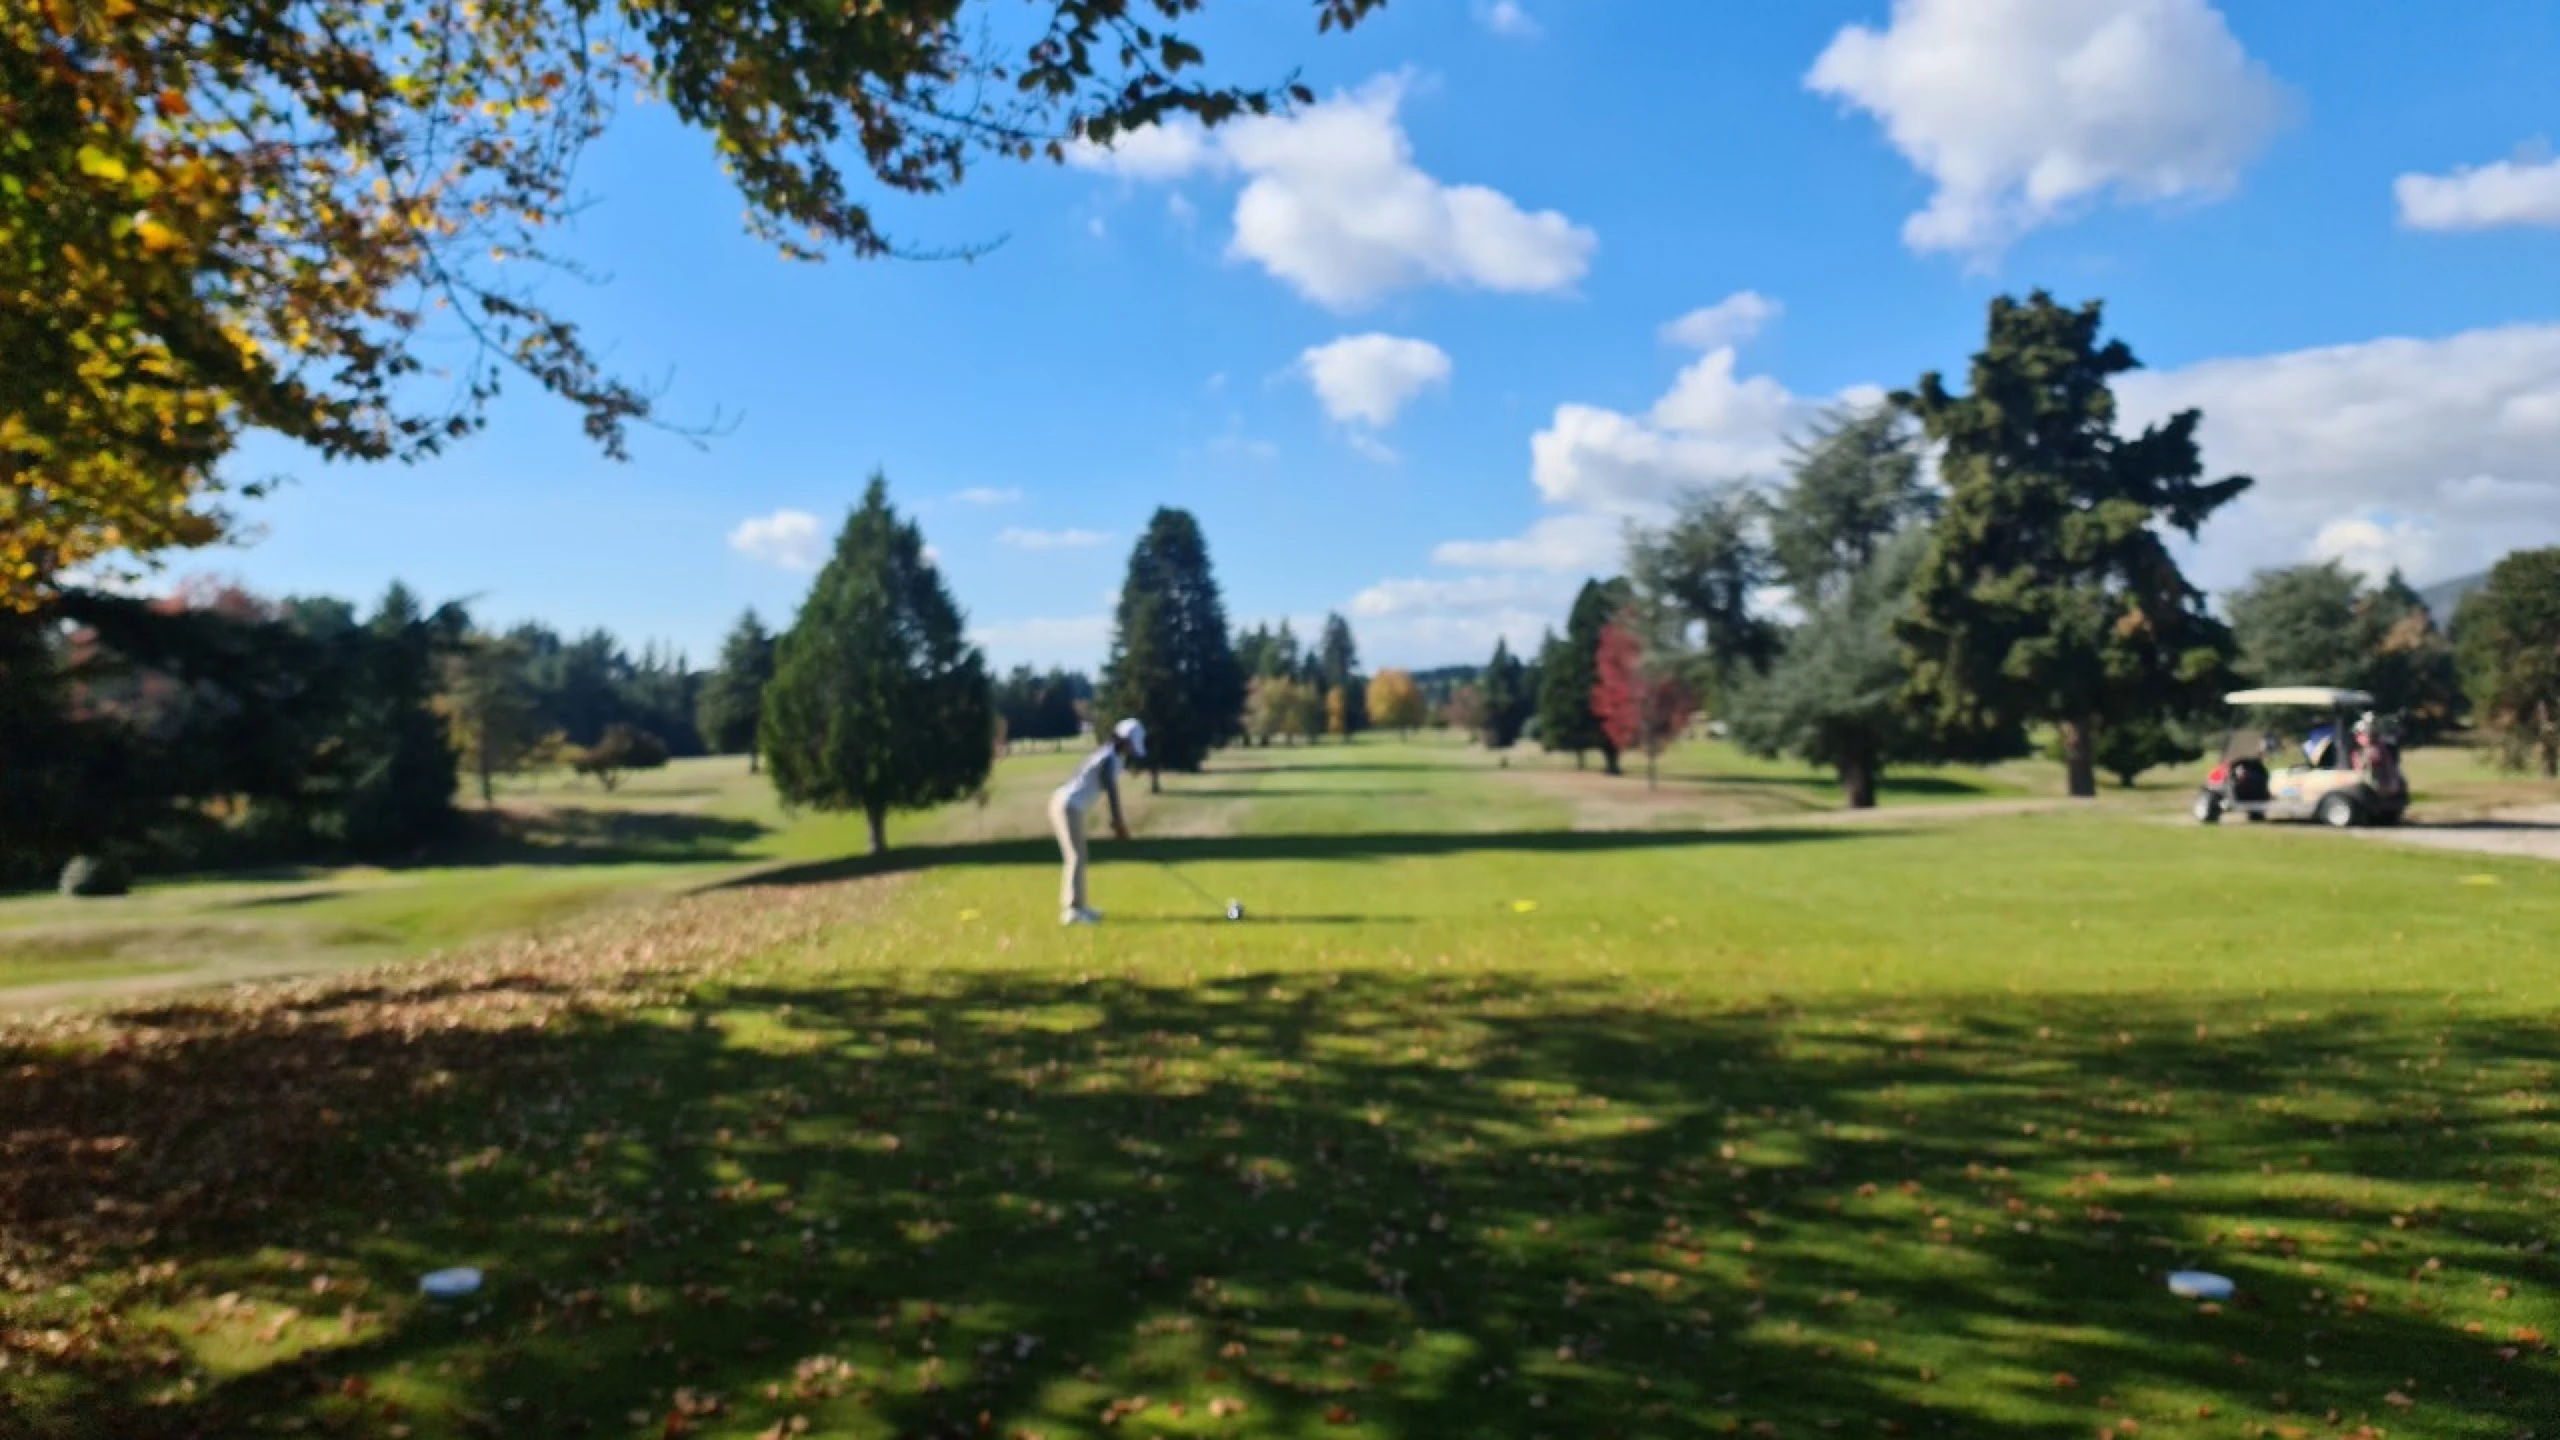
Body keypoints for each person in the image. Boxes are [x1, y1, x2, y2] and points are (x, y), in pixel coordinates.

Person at [1050, 717, 1143, 925]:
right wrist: (1118, 821)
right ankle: (1073, 910)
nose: (1132, 750)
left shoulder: (1110, 755)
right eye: (1131, 745)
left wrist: (1116, 821)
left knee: (1078, 855)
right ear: (1125, 741)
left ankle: (1079, 905)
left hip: (1069, 804)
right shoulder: (1109, 758)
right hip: (1068, 805)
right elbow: (1110, 787)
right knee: (1076, 856)